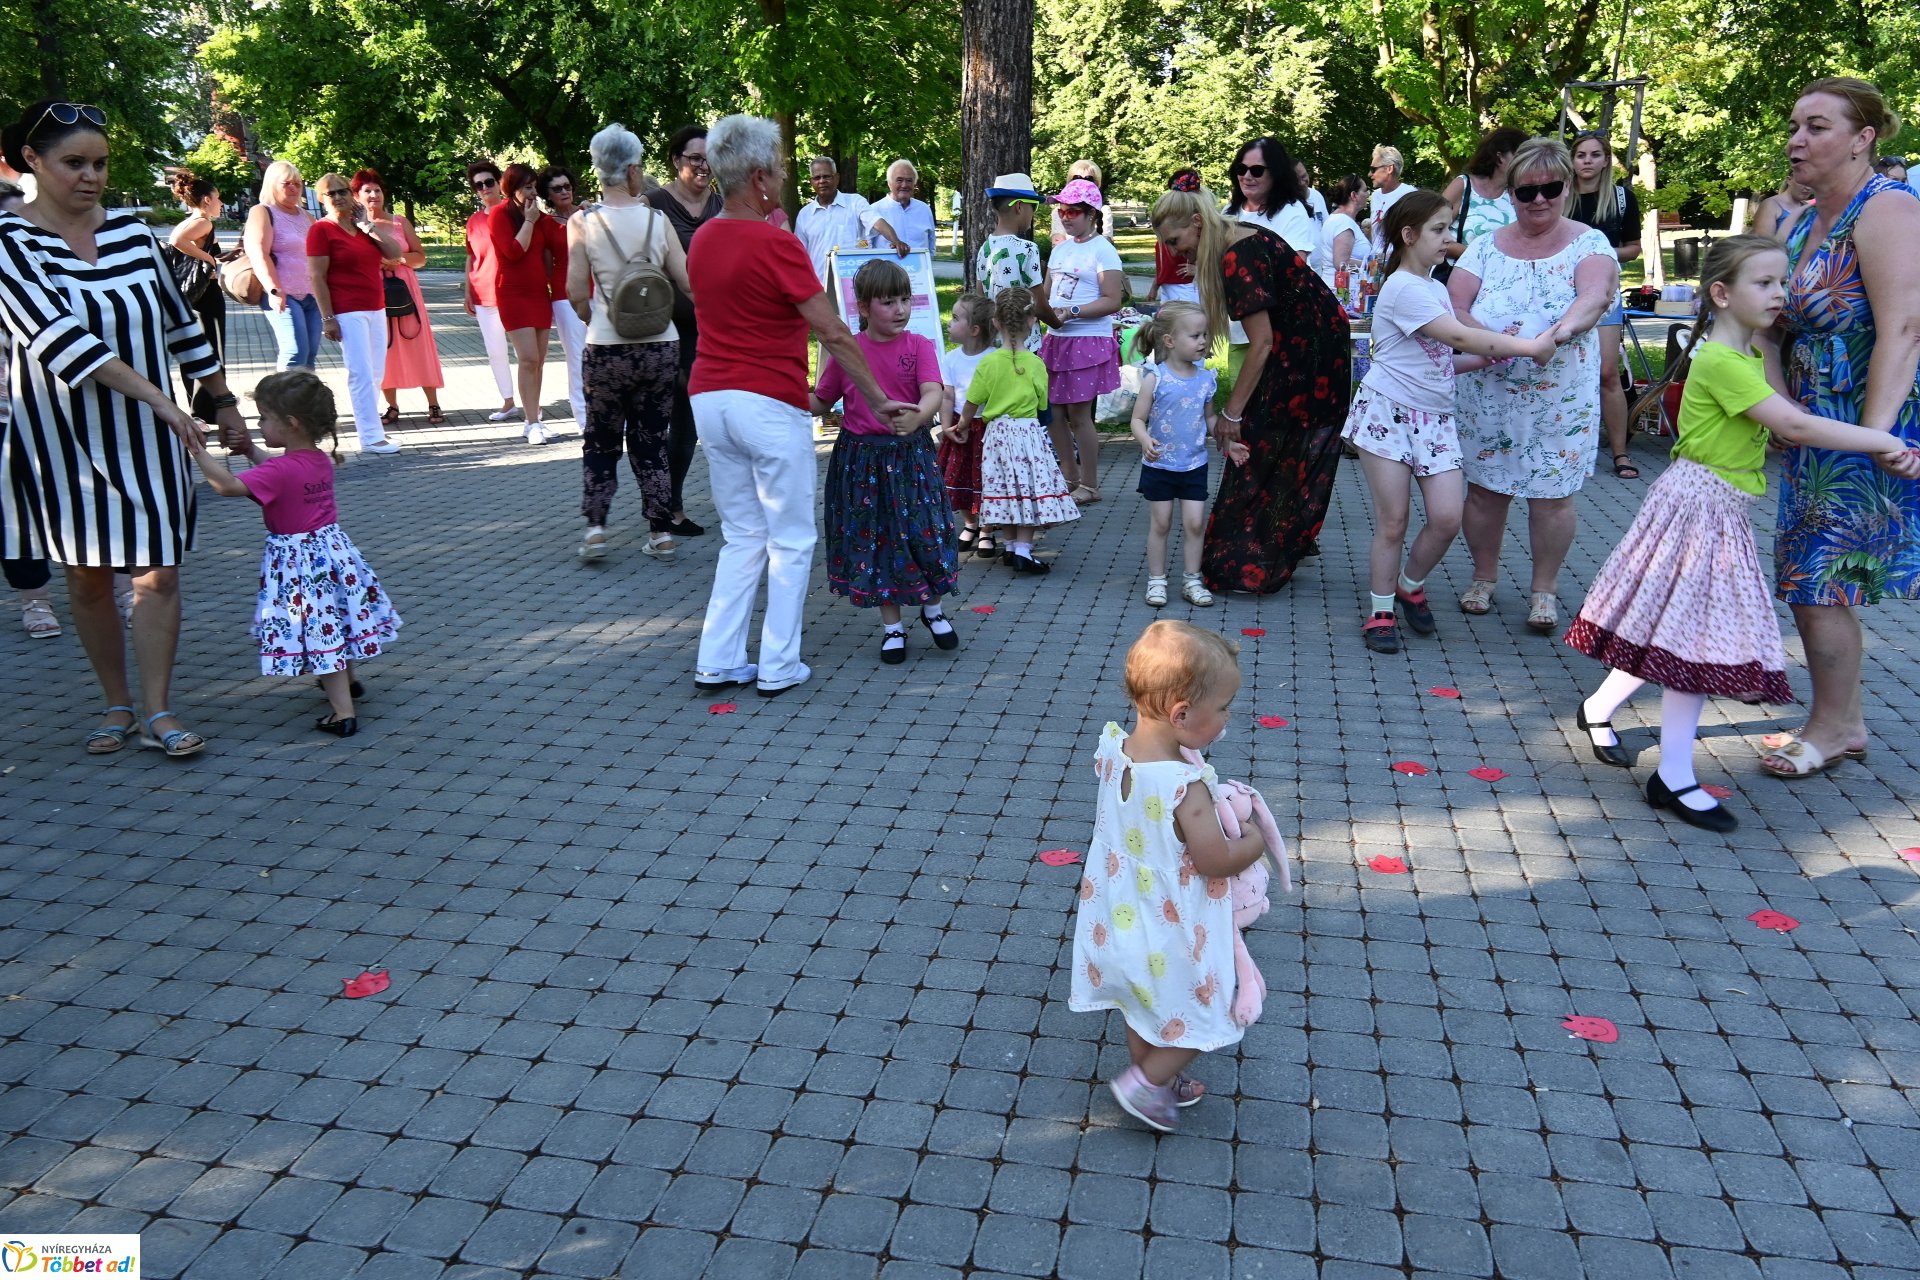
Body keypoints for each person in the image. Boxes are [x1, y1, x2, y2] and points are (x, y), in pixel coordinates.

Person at [1567, 237, 1920, 829]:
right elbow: (1795, 423)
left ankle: (1599, 707)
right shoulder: (1722, 361)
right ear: (1722, 294)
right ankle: (1673, 775)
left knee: (1669, 625)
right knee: (1694, 642)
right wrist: (1885, 439)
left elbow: (1771, 423)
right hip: (1699, 509)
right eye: (1764, 283)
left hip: (1713, 506)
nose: (1780, 294)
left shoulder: (1746, 359)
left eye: (1782, 282)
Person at [0, 99, 250, 756]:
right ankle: (116, 703)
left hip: (148, 437)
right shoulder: (10, 243)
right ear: (32, 161)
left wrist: (220, 399)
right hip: (65, 440)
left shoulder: (134, 236)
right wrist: (162, 399)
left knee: (158, 573)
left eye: (101, 164)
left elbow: (180, 324)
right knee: (86, 576)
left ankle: (160, 710)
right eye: (73, 163)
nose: (91, 177)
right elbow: (59, 342)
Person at [685, 114, 915, 697]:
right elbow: (834, 332)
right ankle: (779, 664)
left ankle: (718, 658)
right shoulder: (777, 242)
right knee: (789, 538)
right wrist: (879, 397)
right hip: (766, 400)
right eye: (781, 169)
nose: (788, 176)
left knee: (741, 535)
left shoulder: (705, 236)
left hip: (710, 397)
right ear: (760, 178)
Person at [1760, 77, 1920, 779]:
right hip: (1815, 427)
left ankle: (1834, 727)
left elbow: (1906, 326)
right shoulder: (1798, 221)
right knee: (1810, 576)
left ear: (1864, 138)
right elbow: (1769, 328)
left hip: (1865, 421)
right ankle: (1841, 721)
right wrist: (1776, 410)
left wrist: (1879, 433)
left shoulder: (1885, 209)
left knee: (1813, 577)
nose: (1797, 140)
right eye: (1794, 125)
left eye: (1817, 126)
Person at [1070, 620, 1269, 1135]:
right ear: (1182, 714)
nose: (1227, 717)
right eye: (1222, 708)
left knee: (1142, 1002)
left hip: (1116, 913)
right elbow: (1213, 860)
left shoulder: (1116, 750)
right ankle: (1144, 1083)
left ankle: (1154, 1078)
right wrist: (1253, 840)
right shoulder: (1186, 786)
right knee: (1209, 1009)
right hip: (1171, 925)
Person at [1340, 192, 1557, 655]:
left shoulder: (1435, 288)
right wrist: (1521, 347)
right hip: (1388, 414)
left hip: (1434, 419)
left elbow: (1441, 359)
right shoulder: (1403, 289)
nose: (1448, 239)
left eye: (1448, 229)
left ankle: (1409, 584)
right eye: (1439, 230)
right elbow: (1456, 334)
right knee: (1393, 521)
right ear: (1409, 235)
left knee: (1445, 518)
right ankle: (1380, 611)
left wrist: (1484, 357)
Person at [1447, 136, 1618, 633]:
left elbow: (1594, 294)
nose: (1539, 199)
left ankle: (1543, 588)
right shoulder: (1485, 246)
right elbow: (1455, 304)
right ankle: (1484, 576)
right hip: (1489, 390)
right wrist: (1489, 338)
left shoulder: (1589, 242)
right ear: (1511, 193)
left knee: (1553, 497)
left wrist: (1557, 334)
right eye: (1526, 191)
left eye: (1550, 188)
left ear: (1567, 187)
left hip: (1558, 393)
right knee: (1484, 492)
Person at [176, 370, 402, 739]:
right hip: (331, 553)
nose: (260, 424)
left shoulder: (282, 468)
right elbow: (276, 473)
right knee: (335, 618)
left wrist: (196, 451)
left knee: (319, 632)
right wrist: (250, 450)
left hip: (299, 563)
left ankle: (342, 712)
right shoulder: (316, 459)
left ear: (291, 424)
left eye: (264, 418)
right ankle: (350, 682)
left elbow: (227, 487)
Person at [1150, 188, 1351, 595]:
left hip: (1311, 357)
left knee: (1262, 443)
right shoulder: (1238, 234)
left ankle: (1253, 558)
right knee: (1277, 446)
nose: (1175, 253)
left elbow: (1261, 343)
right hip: (1309, 348)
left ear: (1197, 223)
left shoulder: (1236, 255)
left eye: (1176, 242)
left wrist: (1231, 414)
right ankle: (1274, 542)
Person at [811, 259, 956, 664]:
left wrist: (920, 416)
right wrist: (777, 388)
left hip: (911, 457)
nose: (901, 310)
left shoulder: (919, 345)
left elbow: (933, 392)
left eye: (905, 300)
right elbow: (821, 401)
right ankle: (892, 627)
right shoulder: (847, 351)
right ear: (863, 306)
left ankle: (933, 609)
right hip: (862, 462)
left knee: (925, 532)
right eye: (889, 302)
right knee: (877, 541)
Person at [569, 123, 692, 564]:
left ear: (600, 169)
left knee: (600, 440)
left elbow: (574, 293)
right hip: (661, 346)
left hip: (606, 348)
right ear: (634, 170)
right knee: (652, 440)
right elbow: (687, 281)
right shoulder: (658, 221)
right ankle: (660, 532)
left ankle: (596, 527)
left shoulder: (581, 222)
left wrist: (595, 318)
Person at [960, 288, 1079, 573]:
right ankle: (1022, 550)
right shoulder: (1036, 364)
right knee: (1026, 488)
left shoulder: (987, 363)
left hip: (997, 434)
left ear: (996, 323)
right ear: (1031, 322)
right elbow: (1042, 405)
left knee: (1004, 487)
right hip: (1027, 433)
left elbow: (973, 401)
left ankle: (1011, 546)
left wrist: (962, 424)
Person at [647, 124, 725, 538]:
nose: (703, 165)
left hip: (710, 330)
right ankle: (665, 507)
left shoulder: (721, 204)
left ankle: (670, 505)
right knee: (667, 421)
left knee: (691, 422)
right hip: (663, 330)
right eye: (695, 157)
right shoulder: (654, 203)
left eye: (709, 157)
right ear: (676, 160)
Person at [1039, 178, 1125, 504]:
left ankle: (1089, 484)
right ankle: (1069, 476)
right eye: (1062, 209)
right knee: (1053, 413)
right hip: (1055, 340)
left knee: (1078, 415)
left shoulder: (1103, 249)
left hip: (1087, 340)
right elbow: (1045, 296)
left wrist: (1073, 311)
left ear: (1091, 213)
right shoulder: (1060, 249)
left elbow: (1113, 299)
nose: (1065, 215)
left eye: (1073, 210)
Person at [1128, 302, 1220, 608]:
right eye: (1195, 336)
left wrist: (1227, 433)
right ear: (1170, 341)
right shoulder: (1156, 377)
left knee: (1195, 523)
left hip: (1194, 464)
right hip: (1160, 465)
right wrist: (1144, 440)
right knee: (1162, 523)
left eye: (1205, 334)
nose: (1203, 341)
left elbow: (1209, 419)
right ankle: (1157, 580)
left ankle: (1192, 580)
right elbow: (1137, 419)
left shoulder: (1206, 379)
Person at [306, 173, 405, 454]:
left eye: (342, 192)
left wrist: (367, 226)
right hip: (347, 311)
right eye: (330, 194)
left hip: (375, 306)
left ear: (352, 195)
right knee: (360, 372)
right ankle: (370, 437)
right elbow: (316, 276)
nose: (338, 197)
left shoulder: (360, 226)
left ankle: (372, 429)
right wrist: (328, 318)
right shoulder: (321, 230)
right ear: (321, 200)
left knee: (376, 372)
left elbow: (395, 253)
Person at [1568, 132, 1645, 480]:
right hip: (1561, 292)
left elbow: (1634, 248)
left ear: (1605, 160)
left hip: (1604, 293)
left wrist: (1599, 255)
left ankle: (1620, 452)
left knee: (1607, 373)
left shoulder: (1621, 198)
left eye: (1595, 154)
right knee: (1560, 371)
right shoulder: (1559, 194)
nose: (1587, 161)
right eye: (1580, 154)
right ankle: (1566, 448)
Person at [0, 176, 57, 639]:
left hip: (55, 404)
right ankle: (33, 599)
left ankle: (123, 587)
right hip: (6, 412)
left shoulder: (50, 262)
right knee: (14, 509)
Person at [354, 168, 445, 425]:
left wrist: (399, 260)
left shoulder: (399, 222)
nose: (374, 195)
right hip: (374, 293)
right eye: (367, 191)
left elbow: (421, 257)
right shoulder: (354, 227)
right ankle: (392, 406)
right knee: (385, 348)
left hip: (405, 288)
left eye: (378, 190)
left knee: (417, 342)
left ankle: (433, 402)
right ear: (357, 196)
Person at [487, 163, 565, 445]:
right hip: (512, 293)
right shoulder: (499, 215)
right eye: (527, 187)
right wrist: (530, 221)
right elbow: (514, 252)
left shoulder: (540, 217)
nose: (533, 192)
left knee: (540, 361)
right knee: (528, 358)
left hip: (537, 295)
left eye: (534, 187)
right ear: (513, 190)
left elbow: (554, 242)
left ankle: (535, 419)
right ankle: (531, 422)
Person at [245, 159, 320, 370]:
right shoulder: (262, 211)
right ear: (271, 185)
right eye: (286, 183)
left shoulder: (307, 216)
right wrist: (274, 290)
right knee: (295, 350)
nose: (293, 188)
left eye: (297, 183)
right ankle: (284, 401)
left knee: (311, 354)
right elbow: (258, 253)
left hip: (312, 295)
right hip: (283, 294)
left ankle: (307, 400)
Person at [936, 290, 995, 555]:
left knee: (988, 480)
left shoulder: (994, 358)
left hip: (988, 427)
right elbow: (947, 395)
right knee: (957, 477)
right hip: (960, 428)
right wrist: (946, 427)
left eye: (956, 317)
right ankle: (970, 523)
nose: (949, 321)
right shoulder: (950, 359)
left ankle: (987, 530)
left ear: (974, 329)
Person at [165, 169, 227, 422]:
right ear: (207, 200)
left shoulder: (189, 221)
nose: (221, 203)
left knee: (194, 350)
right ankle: (206, 410)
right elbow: (178, 241)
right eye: (219, 198)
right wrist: (209, 259)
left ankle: (198, 409)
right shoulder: (203, 221)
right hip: (205, 294)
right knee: (212, 350)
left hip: (192, 294)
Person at [463, 159, 519, 421]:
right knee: (496, 351)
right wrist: (467, 291)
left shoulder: (514, 212)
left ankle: (533, 401)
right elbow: (470, 256)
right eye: (478, 185)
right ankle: (508, 401)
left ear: (499, 183)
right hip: (483, 293)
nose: (484, 188)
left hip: (514, 291)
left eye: (488, 182)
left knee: (524, 352)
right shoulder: (473, 221)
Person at [538, 164, 588, 432]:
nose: (564, 191)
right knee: (577, 357)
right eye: (557, 188)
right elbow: (547, 266)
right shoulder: (545, 224)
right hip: (563, 294)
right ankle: (584, 419)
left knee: (604, 352)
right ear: (548, 194)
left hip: (596, 290)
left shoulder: (588, 214)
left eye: (567, 186)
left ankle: (612, 416)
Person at [975, 172, 1047, 352]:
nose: (1033, 213)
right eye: (1034, 206)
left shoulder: (985, 248)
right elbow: (1038, 303)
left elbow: (980, 298)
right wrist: (1058, 323)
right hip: (1026, 346)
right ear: (1020, 207)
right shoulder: (1028, 249)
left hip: (997, 345)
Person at [1440, 127, 1526, 269]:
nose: (1525, 162)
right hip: (1457, 277)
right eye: (1520, 155)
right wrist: (1480, 255)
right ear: (1500, 157)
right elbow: (1430, 234)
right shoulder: (1464, 185)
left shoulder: (1518, 194)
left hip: (1501, 280)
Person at [1225, 137, 1315, 255]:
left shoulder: (1292, 214)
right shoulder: (1229, 210)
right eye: (1241, 169)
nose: (1247, 176)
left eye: (1257, 170)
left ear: (1275, 173)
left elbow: (1294, 270)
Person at [794, 156, 869, 283]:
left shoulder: (855, 203)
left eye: (827, 176)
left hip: (853, 286)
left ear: (837, 178)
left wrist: (894, 239)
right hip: (818, 287)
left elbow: (875, 222)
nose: (822, 181)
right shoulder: (804, 215)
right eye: (817, 178)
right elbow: (799, 255)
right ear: (811, 182)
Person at [1307, 174, 1370, 298]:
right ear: (1353, 195)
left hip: (1338, 292)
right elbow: (1342, 263)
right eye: (1364, 190)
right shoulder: (1344, 223)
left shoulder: (1337, 219)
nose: (1367, 194)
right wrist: (1372, 266)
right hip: (1344, 296)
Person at [1147, 169, 1204, 305]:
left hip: (1185, 286)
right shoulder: (1169, 227)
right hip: (1167, 286)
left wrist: (1198, 270)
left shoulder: (1192, 230)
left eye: (1174, 241)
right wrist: (1155, 286)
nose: (1174, 194)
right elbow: (1163, 264)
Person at [864, 159, 937, 258]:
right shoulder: (874, 210)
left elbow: (931, 245)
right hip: (887, 272)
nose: (904, 185)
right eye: (899, 180)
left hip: (919, 271)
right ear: (889, 183)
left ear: (914, 184)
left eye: (909, 180)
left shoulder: (924, 209)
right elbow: (866, 247)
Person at [1049, 159, 1115, 242]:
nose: (1082, 183)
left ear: (1097, 183)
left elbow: (1107, 240)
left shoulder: (1104, 210)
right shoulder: (1059, 212)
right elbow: (1057, 242)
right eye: (1077, 178)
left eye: (1089, 179)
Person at [1367, 144, 1415, 254]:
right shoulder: (1375, 196)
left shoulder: (1409, 194)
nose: (1369, 174)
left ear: (1389, 169)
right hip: (1376, 264)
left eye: (1373, 169)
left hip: (1398, 262)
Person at [1749, 176, 1814, 241]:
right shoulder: (1771, 205)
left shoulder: (1809, 208)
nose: (1808, 188)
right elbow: (1763, 244)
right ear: (1789, 180)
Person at [1295, 159, 1328, 225]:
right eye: (1296, 180)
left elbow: (1327, 224)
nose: (1301, 183)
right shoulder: (1288, 202)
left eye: (1303, 176)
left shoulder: (1317, 195)